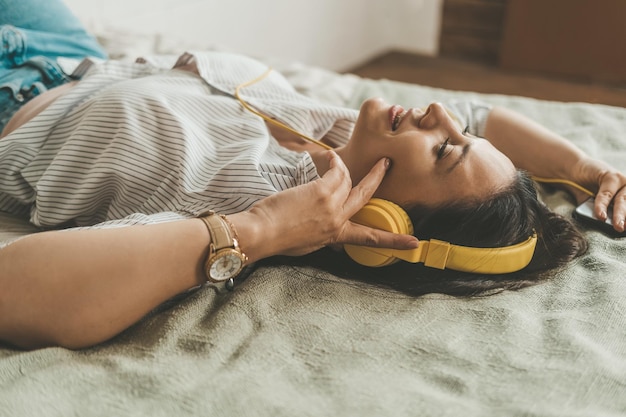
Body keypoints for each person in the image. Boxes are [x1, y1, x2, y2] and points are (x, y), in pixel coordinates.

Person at [0, 0, 625, 350]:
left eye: (444, 151)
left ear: (386, 221)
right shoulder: (346, 135)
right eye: (463, 137)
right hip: (64, 47)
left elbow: (13, 289)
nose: (441, 116)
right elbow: (486, 116)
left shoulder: (232, 212)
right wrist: (587, 168)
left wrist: (260, 230)